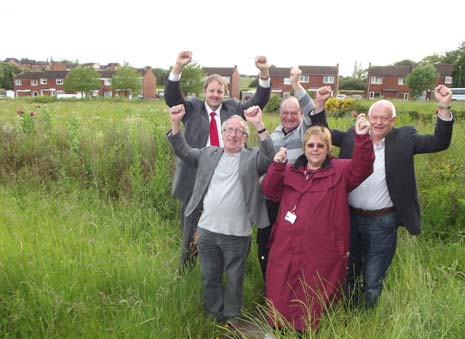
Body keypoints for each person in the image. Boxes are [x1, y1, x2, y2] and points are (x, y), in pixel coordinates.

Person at [310, 85, 454, 308]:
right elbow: (322, 133)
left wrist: (444, 106)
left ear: (393, 121)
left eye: (384, 119)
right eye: (375, 117)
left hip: (383, 222)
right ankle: (349, 313)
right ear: (368, 118)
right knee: (348, 272)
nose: (378, 122)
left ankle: (367, 318)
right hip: (349, 219)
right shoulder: (353, 137)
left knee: (372, 278)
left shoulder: (405, 138)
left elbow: (439, 142)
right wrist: (319, 104)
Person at [262, 115, 374, 332]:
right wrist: (277, 166)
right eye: (311, 145)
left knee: (313, 293)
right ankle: (278, 329)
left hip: (322, 249)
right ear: (304, 147)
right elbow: (270, 191)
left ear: (328, 148)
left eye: (320, 145)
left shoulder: (340, 170)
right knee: (281, 287)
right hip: (286, 246)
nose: (315, 149)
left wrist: (362, 138)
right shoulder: (290, 170)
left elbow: (363, 167)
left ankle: (306, 332)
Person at [167, 103, 275, 325]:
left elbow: (270, 155)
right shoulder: (208, 154)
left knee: (235, 279)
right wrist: (175, 123)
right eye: (229, 130)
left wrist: (259, 125)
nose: (233, 134)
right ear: (222, 134)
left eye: (239, 131)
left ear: (245, 137)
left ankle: (232, 317)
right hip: (207, 231)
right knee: (209, 277)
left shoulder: (252, 157)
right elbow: (183, 151)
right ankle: (213, 315)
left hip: (237, 234)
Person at [164, 51, 271, 269]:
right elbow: (172, 98)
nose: (215, 95)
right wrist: (178, 67)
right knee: (190, 229)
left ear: (225, 93)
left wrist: (264, 73)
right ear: (204, 92)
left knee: (221, 226)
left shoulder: (234, 108)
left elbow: (258, 101)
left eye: (219, 91)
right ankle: (187, 270)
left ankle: (220, 266)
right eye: (211, 91)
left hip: (228, 179)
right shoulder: (192, 108)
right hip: (194, 176)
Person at [257, 66, 332, 280]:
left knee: (287, 244)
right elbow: (264, 161)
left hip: (292, 198)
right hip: (270, 199)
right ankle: (268, 284)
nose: (289, 117)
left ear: (300, 115)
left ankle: (290, 285)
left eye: (293, 113)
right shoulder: (274, 135)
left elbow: (311, 108)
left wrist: (296, 85)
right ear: (280, 115)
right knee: (264, 243)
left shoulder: (305, 131)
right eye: (285, 113)